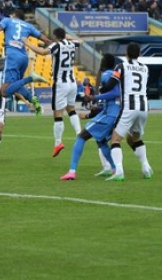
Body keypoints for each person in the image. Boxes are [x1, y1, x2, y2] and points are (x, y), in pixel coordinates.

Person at [97, 42, 153, 181]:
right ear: (139, 54)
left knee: (115, 139)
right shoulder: (145, 68)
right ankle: (146, 167)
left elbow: (111, 84)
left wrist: (100, 90)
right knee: (134, 138)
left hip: (129, 106)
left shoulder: (121, 66)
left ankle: (119, 171)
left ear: (126, 53)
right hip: (143, 107)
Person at [59, 54, 119, 180]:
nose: (100, 62)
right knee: (101, 141)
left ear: (104, 62)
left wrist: (94, 97)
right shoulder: (113, 75)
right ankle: (114, 168)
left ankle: (72, 171)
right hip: (112, 113)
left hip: (109, 115)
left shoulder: (107, 75)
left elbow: (115, 93)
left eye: (102, 60)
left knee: (81, 136)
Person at [0, 9, 50, 104]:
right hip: (24, 58)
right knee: (16, 85)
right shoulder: (29, 26)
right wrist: (55, 46)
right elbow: (45, 39)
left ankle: (31, 78)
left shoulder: (7, 20)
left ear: (13, 14)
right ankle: (33, 100)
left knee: (4, 91)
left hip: (13, 56)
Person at [26, 27, 82, 157]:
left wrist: (28, 44)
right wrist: (69, 37)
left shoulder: (57, 45)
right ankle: (79, 133)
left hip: (61, 83)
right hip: (72, 82)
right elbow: (81, 41)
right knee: (71, 109)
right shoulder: (72, 44)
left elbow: (42, 52)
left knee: (57, 114)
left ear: (56, 36)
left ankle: (58, 143)